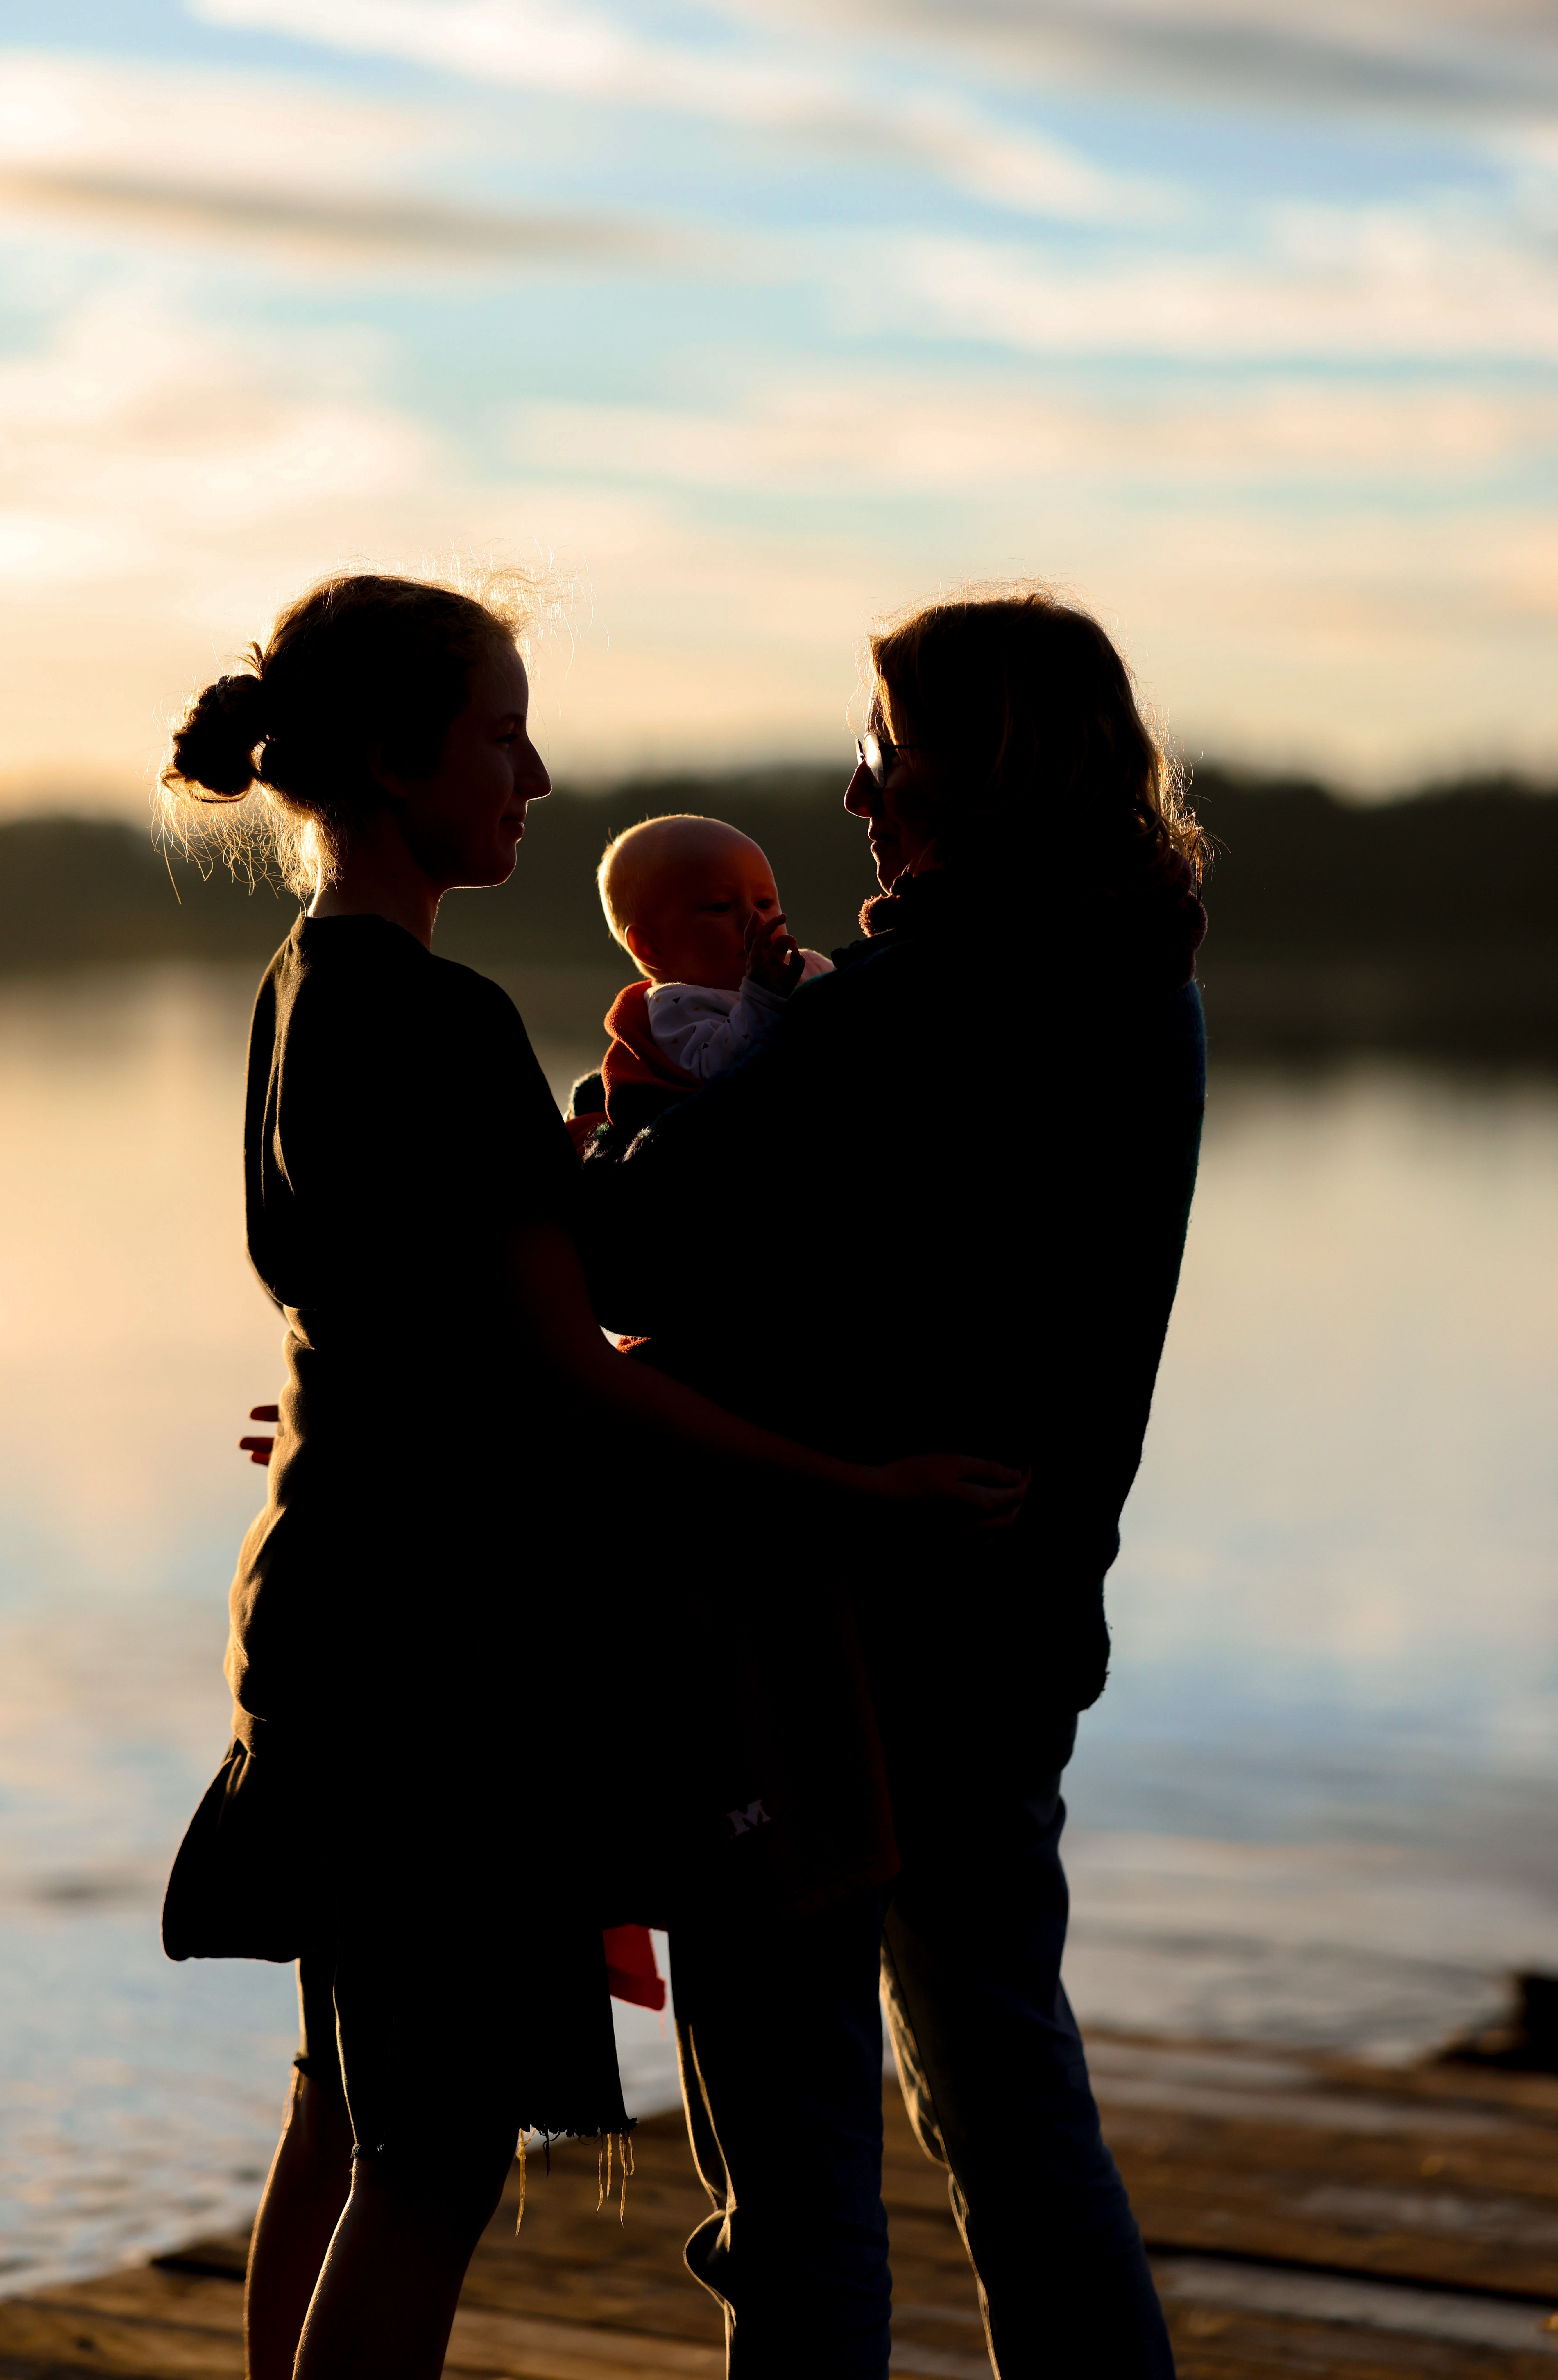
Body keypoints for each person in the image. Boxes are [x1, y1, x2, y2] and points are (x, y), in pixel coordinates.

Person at [154, 569, 1026, 2380]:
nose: (534, 774)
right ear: (397, 765)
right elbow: (568, 1373)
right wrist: (852, 1487)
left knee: (345, 2103)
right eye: (499, 736)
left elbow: (409, 1332)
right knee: (433, 2154)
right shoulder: (445, 1021)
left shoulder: (303, 987)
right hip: (432, 1658)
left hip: (321, 1601)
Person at [577, 587, 1208, 2378]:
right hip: (1012, 1635)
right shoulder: (1131, 984)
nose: (852, 793)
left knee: (789, 2170)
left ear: (968, 765)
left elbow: (629, 1254)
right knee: (1009, 2107)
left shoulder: (920, 999)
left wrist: (624, 1101)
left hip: (809, 1643)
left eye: (880, 746)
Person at [566, 812, 831, 1151]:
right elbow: (717, 1076)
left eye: (764, 903)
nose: (754, 920)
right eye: (721, 907)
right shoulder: (675, 1006)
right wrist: (761, 998)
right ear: (652, 946)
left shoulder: (808, 966)